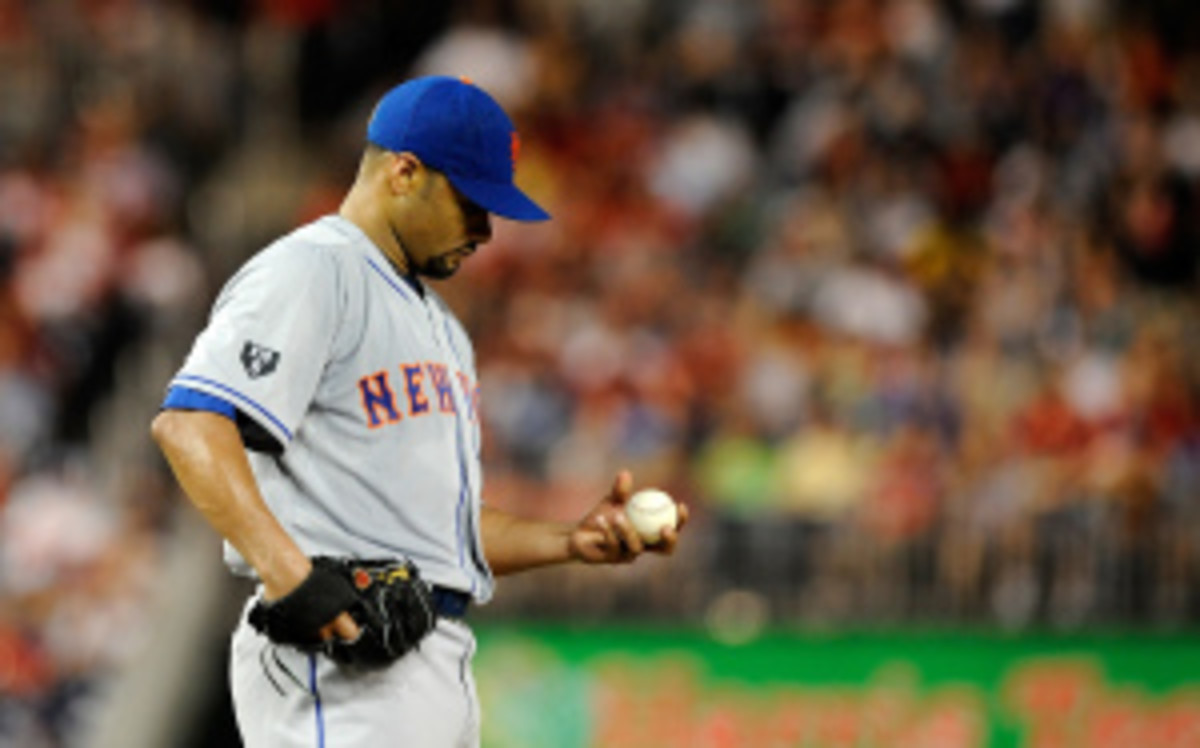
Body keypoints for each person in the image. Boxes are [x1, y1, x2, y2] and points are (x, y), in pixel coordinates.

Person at [150, 75, 688, 747]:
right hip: (344, 665)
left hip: (431, 659)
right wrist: (293, 578)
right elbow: (190, 424)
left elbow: (436, 530)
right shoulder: (317, 269)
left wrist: (567, 541)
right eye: (470, 203)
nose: (487, 229)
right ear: (404, 172)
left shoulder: (438, 325)